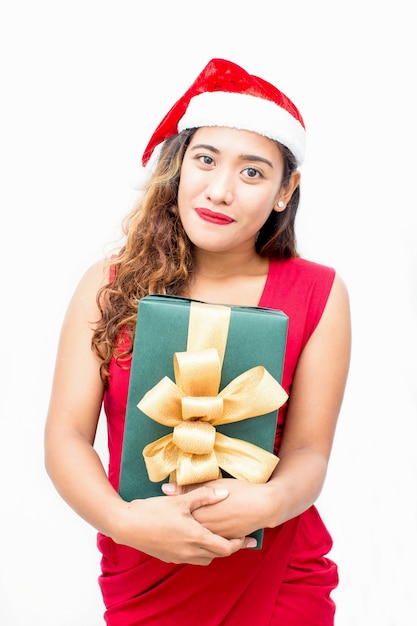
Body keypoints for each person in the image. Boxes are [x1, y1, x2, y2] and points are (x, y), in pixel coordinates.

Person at [44, 58, 351, 625]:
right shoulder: (107, 284)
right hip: (142, 568)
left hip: (281, 573)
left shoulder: (319, 293)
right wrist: (125, 522)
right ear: (179, 166)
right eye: (205, 160)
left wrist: (273, 502)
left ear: (287, 190)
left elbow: (309, 450)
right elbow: (65, 437)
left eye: (253, 172)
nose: (221, 190)